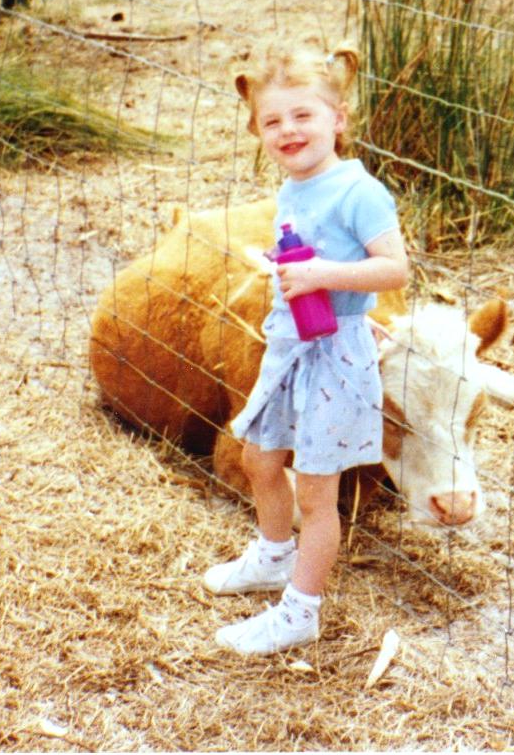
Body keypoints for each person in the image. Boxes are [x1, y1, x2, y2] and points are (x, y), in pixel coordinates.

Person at [204, 42, 409, 656]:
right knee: (259, 459)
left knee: (318, 494)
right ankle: (273, 557)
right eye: (272, 121)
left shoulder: (358, 191)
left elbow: (394, 269)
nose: (288, 130)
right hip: (290, 343)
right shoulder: (295, 187)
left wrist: (327, 281)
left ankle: (300, 612)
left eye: (303, 116)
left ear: (337, 119)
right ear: (257, 133)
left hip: (333, 356)